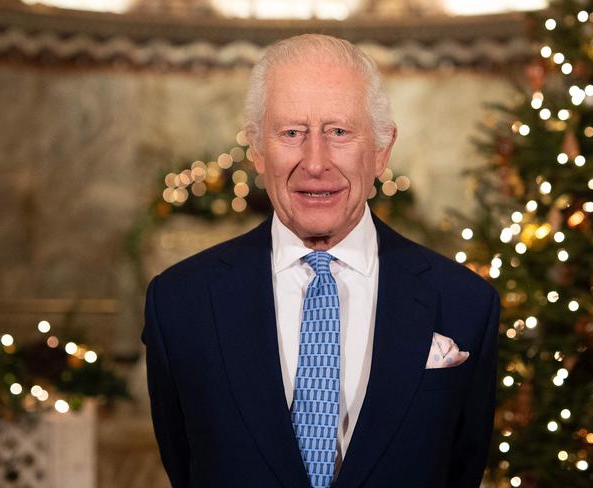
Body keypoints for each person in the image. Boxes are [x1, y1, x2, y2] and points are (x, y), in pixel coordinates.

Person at [142, 34, 500, 488]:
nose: (315, 162)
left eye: (339, 132)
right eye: (292, 133)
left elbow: (460, 469)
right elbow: (185, 464)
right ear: (256, 149)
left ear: (382, 150)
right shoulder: (179, 304)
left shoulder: (466, 304)